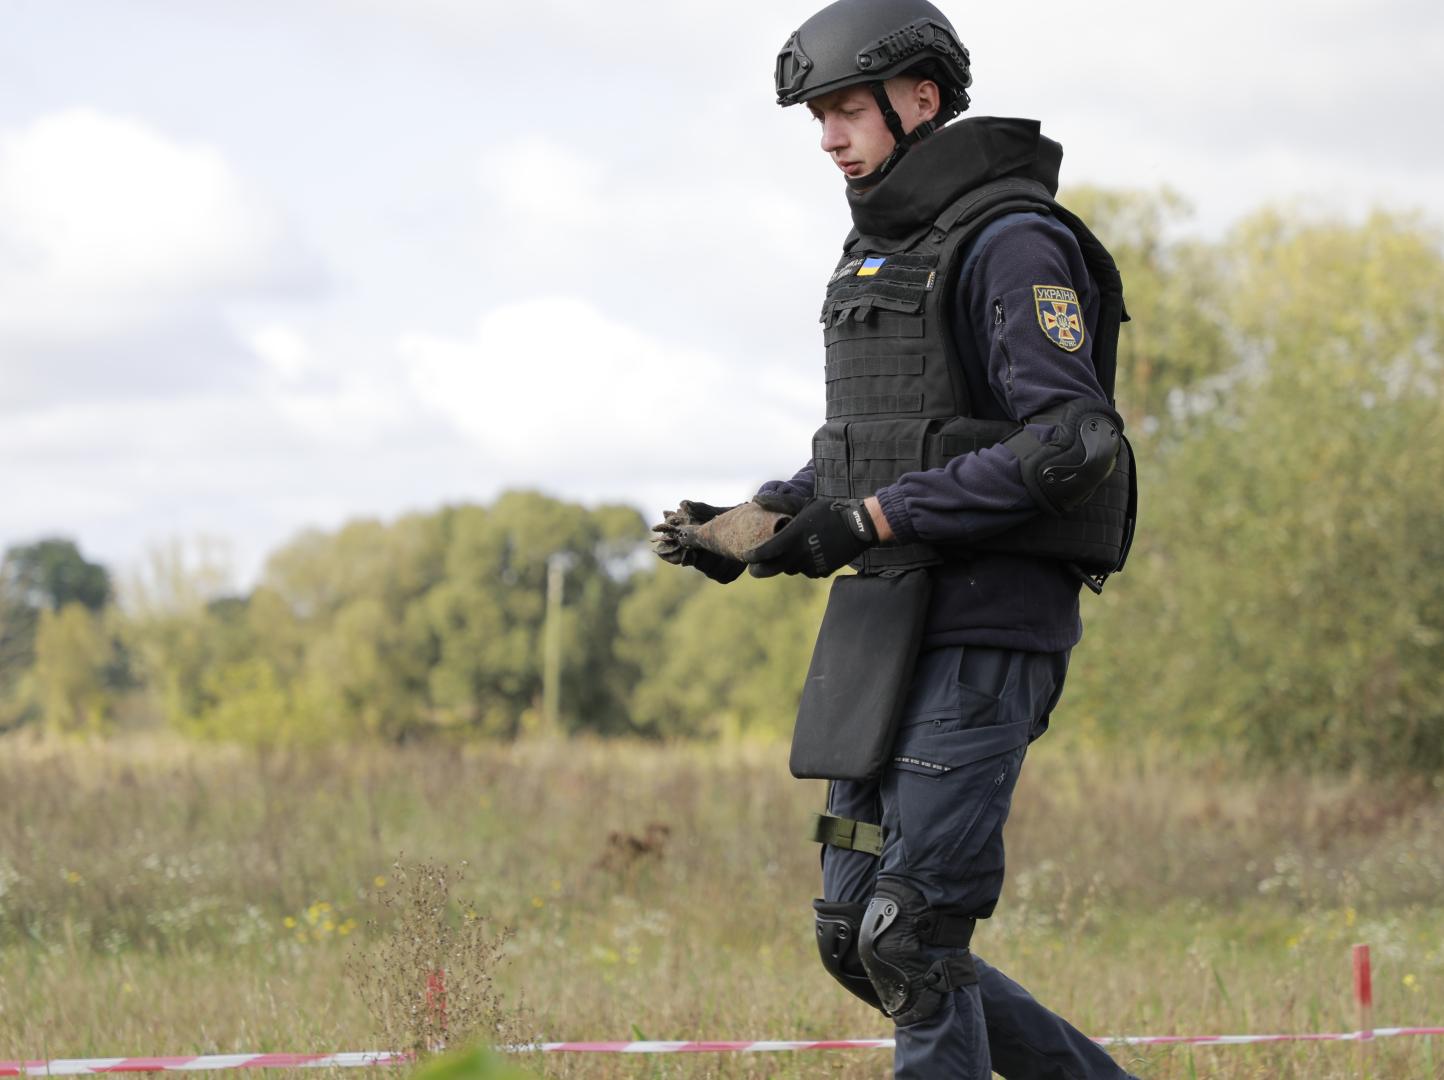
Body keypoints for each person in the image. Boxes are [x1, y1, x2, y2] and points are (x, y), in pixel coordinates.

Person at [657, 0, 1138, 1075]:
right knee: (855, 937)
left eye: (843, 109)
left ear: (920, 98)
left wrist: (869, 519)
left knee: (909, 933)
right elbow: (867, 455)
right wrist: (755, 524)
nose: (827, 137)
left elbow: (1071, 441)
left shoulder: (1014, 242)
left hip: (984, 631)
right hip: (881, 625)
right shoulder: (883, 253)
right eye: (816, 117)